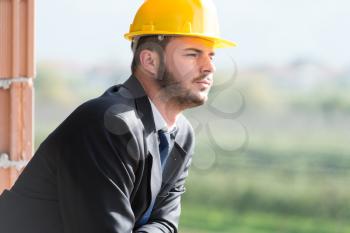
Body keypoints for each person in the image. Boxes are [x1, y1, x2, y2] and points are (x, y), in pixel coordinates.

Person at [0, 0, 235, 232]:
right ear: (150, 61)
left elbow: (166, 223)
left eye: (211, 56)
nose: (209, 67)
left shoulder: (181, 134)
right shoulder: (106, 125)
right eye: (193, 54)